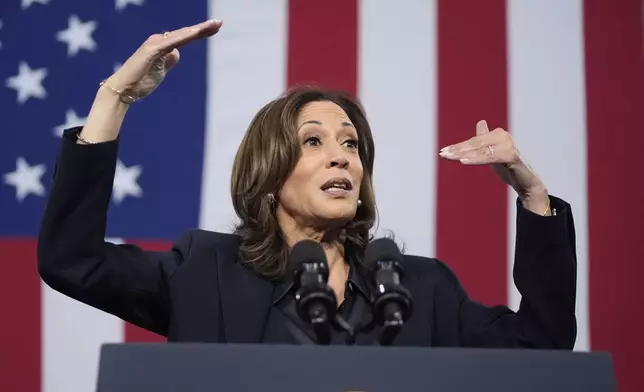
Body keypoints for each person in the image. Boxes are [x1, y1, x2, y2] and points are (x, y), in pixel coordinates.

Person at [37, 19, 577, 348]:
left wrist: (533, 198)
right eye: (314, 142)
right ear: (269, 176)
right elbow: (71, 260)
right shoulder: (202, 272)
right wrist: (114, 99)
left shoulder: (419, 289)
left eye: (351, 144)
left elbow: (540, 346)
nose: (342, 158)